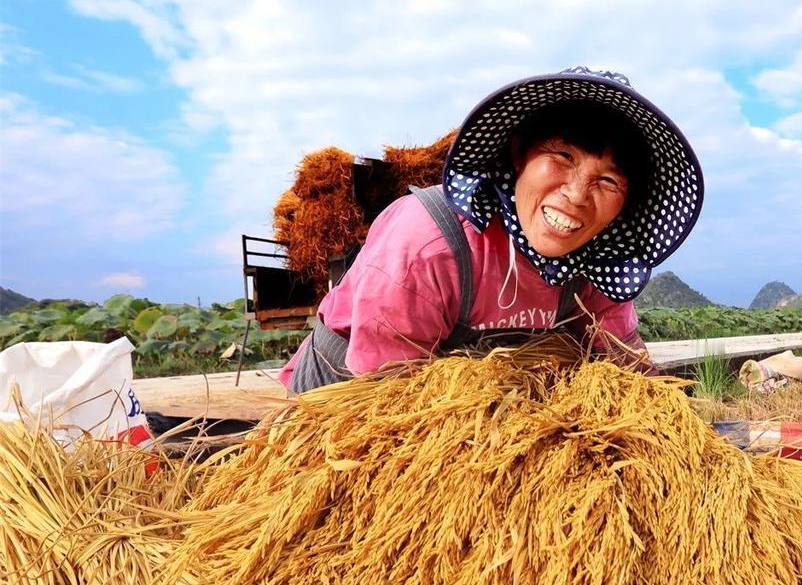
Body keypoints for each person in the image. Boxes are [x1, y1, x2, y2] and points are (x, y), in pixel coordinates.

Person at [281, 67, 704, 393]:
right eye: (562, 157)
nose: (577, 195)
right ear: (519, 152)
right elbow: (387, 406)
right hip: (347, 407)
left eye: (608, 181)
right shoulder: (429, 246)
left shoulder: (593, 265)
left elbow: (628, 365)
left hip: (476, 419)